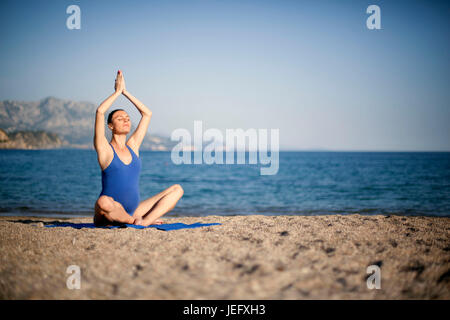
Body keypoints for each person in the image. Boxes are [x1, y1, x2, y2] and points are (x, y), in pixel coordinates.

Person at [93, 70, 184, 227]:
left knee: (177, 189)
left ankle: (144, 221)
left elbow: (147, 114)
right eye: (120, 119)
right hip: (108, 212)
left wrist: (126, 92)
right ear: (110, 126)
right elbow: (100, 112)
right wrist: (117, 92)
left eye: (128, 119)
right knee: (103, 202)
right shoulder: (105, 150)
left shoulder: (133, 146)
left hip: (134, 210)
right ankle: (135, 222)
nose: (126, 121)